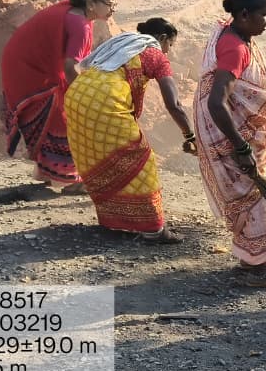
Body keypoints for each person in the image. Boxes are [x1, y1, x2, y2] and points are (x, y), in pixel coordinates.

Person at [194, 0, 266, 288]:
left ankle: (255, 257)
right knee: (254, 194)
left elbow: (242, 93)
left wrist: (261, 116)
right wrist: (240, 145)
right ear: (243, 14)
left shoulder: (237, 35)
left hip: (241, 126)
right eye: (264, 15)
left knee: (259, 189)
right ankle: (256, 270)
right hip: (227, 132)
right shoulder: (236, 48)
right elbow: (218, 101)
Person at [64, 18, 195, 244]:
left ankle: (115, 221)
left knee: (104, 157)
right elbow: (174, 104)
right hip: (106, 103)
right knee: (141, 160)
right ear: (162, 38)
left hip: (77, 96)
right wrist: (190, 135)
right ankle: (154, 230)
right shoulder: (154, 53)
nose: (168, 52)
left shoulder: (123, 44)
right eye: (170, 46)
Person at [1, 0, 116, 193]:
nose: (113, 9)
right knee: (64, 119)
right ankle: (68, 180)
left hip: (21, 62)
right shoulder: (80, 25)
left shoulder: (73, 12)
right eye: (109, 4)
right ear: (91, 4)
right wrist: (83, 95)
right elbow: (70, 66)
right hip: (31, 71)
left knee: (55, 113)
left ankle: (46, 172)